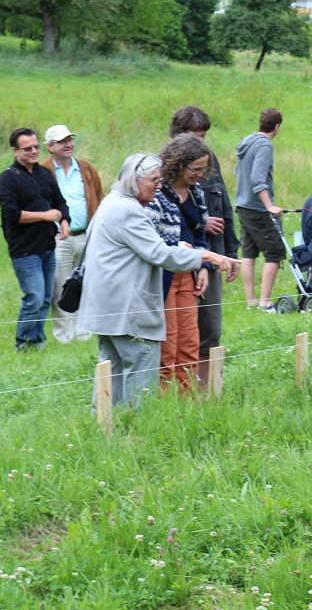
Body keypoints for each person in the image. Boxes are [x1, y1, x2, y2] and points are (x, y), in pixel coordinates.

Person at [78, 154, 236, 409]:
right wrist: (208, 256)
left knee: (112, 371)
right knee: (142, 371)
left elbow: (146, 247)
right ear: (134, 180)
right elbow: (160, 255)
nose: (159, 185)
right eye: (153, 180)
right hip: (127, 311)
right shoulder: (129, 211)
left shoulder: (112, 202)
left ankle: (104, 427)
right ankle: (136, 430)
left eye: (160, 180)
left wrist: (179, 247)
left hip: (106, 309)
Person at [169, 106, 239, 389]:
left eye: (204, 135)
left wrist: (231, 253)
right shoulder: (163, 169)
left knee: (211, 328)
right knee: (180, 331)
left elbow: (225, 206)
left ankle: (208, 391)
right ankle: (178, 389)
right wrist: (202, 220)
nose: (201, 142)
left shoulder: (211, 163)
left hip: (213, 256)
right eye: (194, 136)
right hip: (181, 261)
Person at [146, 134, 218, 394]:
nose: (200, 175)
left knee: (190, 342)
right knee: (167, 344)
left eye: (203, 169)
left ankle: (187, 403)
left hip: (188, 274)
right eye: (196, 169)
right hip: (163, 277)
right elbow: (148, 237)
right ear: (178, 163)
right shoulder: (155, 191)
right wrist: (178, 250)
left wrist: (203, 266)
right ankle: (165, 402)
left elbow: (200, 235)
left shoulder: (196, 193)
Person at [0, 128, 69, 351]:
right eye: (28, 149)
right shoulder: (8, 177)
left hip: (47, 246)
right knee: (34, 298)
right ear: (15, 150)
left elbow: (60, 201)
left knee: (46, 299)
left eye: (36, 146)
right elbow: (11, 214)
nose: (34, 151)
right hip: (25, 250)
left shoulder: (44, 173)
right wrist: (45, 216)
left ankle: (37, 341)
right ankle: (23, 344)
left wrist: (64, 220)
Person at [39, 124, 103, 344]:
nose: (68, 145)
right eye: (61, 142)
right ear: (50, 147)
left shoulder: (86, 168)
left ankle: (84, 333)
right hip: (59, 239)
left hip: (86, 236)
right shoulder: (42, 171)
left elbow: (99, 200)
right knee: (60, 288)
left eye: (69, 140)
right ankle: (65, 337)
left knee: (86, 284)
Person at [235, 108, 285, 311]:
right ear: (277, 127)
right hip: (257, 208)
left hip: (242, 204)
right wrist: (269, 206)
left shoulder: (248, 141)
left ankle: (251, 303)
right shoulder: (265, 145)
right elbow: (257, 178)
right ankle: (265, 303)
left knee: (249, 252)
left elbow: (239, 172)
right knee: (275, 252)